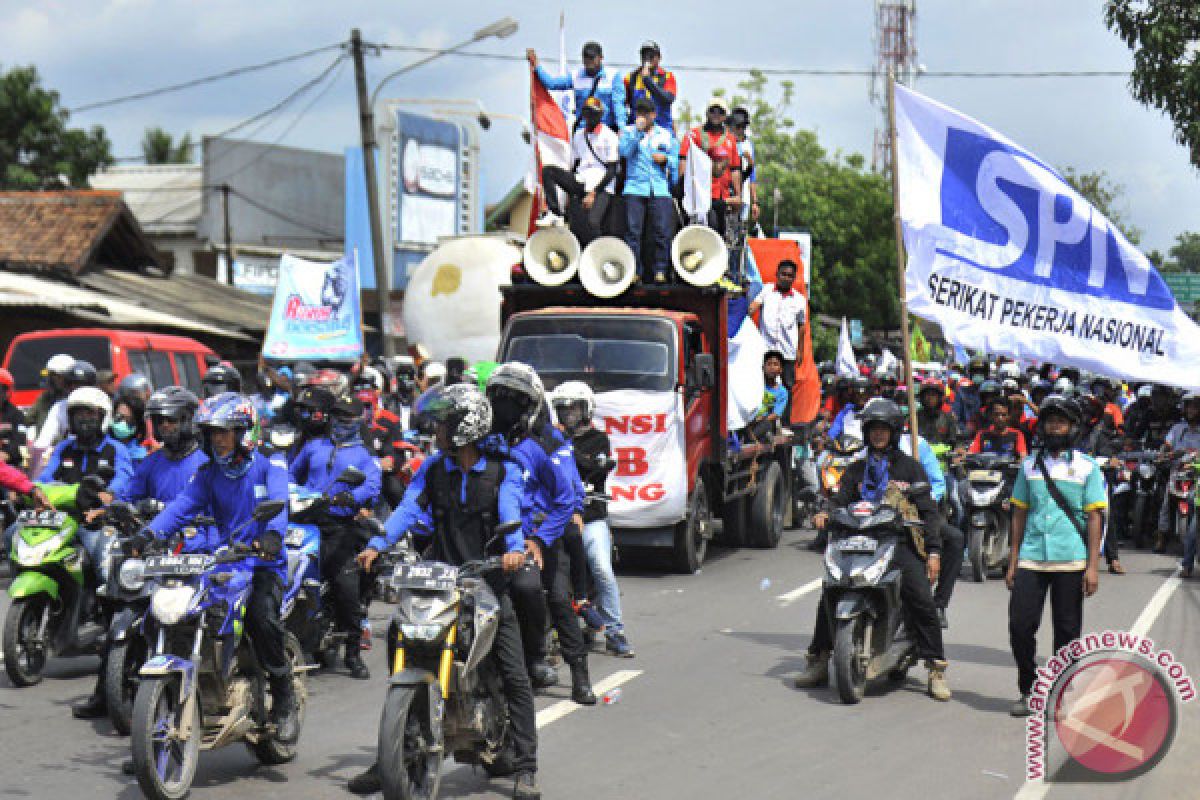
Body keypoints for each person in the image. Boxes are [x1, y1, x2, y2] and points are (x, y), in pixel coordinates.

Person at [351, 383, 541, 800]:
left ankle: (526, 767)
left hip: (489, 582)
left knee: (514, 674)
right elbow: (407, 509)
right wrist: (376, 545)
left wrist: (512, 552)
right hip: (441, 579)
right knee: (405, 640)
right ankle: (392, 751)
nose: (435, 430)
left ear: (464, 427)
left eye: (442, 424)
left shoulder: (502, 470)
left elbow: (511, 515)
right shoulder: (434, 469)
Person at [142, 392, 298, 743]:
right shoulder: (208, 474)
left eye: (224, 432)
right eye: (212, 433)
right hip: (220, 563)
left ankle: (284, 696)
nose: (217, 440)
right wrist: (147, 533)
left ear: (246, 433)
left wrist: (272, 536)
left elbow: (279, 504)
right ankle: (152, 726)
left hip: (261, 564)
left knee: (261, 617)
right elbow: (181, 506)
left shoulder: (269, 466)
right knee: (170, 614)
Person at [793, 398, 951, 701]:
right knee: (831, 591)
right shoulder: (855, 470)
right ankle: (819, 659)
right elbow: (839, 500)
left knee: (921, 599)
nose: (878, 435)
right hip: (857, 542)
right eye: (873, 430)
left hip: (900, 542)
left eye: (884, 429)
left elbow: (930, 512)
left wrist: (933, 552)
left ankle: (935, 668)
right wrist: (825, 512)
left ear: (894, 431)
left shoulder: (910, 468)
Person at [72, 386, 209, 721]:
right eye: (159, 421)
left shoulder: (207, 464)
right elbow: (129, 494)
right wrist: (113, 506)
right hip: (149, 548)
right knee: (120, 606)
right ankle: (104, 692)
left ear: (189, 420)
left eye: (170, 420)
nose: (164, 427)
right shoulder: (151, 463)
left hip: (193, 551)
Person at [485, 362, 596, 704]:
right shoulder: (483, 440)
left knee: (558, 599)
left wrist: (539, 537)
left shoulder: (548, 441)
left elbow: (567, 494)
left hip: (544, 534)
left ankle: (579, 674)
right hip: (497, 537)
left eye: (514, 399)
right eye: (498, 397)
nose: (505, 406)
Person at [1006, 395, 1105, 717]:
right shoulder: (1028, 467)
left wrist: (1093, 566)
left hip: (1071, 559)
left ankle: (1060, 692)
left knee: (1066, 630)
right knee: (1020, 626)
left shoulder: (1086, 467)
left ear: (1073, 427)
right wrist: (1012, 560)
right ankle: (1029, 689)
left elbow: (1094, 518)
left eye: (1060, 422)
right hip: (1032, 558)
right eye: (1049, 421)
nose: (1054, 427)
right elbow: (1019, 514)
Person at [289, 394, 382, 679]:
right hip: (305, 521)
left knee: (346, 586)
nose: (341, 423)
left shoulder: (363, 456)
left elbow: (372, 487)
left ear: (357, 422)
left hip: (339, 527)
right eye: (337, 416)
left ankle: (353, 652)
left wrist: (349, 498)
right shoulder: (313, 447)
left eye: (348, 418)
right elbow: (291, 475)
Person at [549, 381, 633, 657]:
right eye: (562, 409)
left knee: (601, 566)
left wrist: (563, 448)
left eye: (572, 408)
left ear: (586, 410)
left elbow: (594, 468)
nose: (567, 414)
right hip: (558, 517)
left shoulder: (598, 440)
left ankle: (615, 631)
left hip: (591, 516)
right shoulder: (551, 440)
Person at [37, 386, 133, 570]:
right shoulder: (64, 448)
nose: (83, 419)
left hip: (96, 521)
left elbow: (124, 477)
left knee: (104, 567)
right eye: (78, 413)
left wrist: (110, 494)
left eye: (90, 413)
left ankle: (105, 599)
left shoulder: (115, 449)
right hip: (61, 519)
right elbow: (46, 476)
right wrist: (31, 490)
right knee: (13, 535)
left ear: (103, 416)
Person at [536, 96, 619, 241]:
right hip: (581, 180)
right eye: (587, 113)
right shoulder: (579, 135)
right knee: (548, 171)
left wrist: (593, 194)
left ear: (600, 115)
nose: (589, 117)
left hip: (601, 186)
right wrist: (570, 191)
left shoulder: (609, 136)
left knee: (593, 223)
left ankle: (597, 256)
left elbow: (612, 170)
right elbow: (575, 164)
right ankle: (555, 213)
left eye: (593, 113)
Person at [619, 96, 678, 284]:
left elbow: (676, 160)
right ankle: (635, 270)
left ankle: (660, 269)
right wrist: (637, 132)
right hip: (635, 188)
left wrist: (666, 160)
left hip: (659, 189)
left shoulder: (665, 135)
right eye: (639, 112)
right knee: (633, 232)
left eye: (646, 112)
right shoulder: (629, 131)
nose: (642, 116)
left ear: (654, 114)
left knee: (661, 231)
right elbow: (624, 152)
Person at [748, 259, 807, 421]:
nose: (786, 278)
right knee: (761, 385)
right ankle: (758, 419)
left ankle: (784, 423)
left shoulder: (799, 300)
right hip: (766, 350)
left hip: (787, 352)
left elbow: (802, 326)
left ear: (794, 278)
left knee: (787, 387)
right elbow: (753, 306)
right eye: (783, 274)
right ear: (777, 275)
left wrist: (800, 350)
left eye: (790, 276)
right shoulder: (767, 290)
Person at [678, 98, 743, 235]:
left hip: (723, 196)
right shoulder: (694, 134)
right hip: (701, 196)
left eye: (720, 111)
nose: (716, 114)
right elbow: (684, 161)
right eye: (712, 110)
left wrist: (738, 195)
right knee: (704, 232)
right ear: (707, 113)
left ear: (725, 116)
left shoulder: (730, 139)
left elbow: (735, 168)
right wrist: (685, 190)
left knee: (720, 234)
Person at [528, 41, 617, 130]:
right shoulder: (575, 76)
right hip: (583, 132)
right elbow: (552, 84)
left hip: (607, 130)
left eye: (592, 58)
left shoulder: (613, 76)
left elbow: (618, 105)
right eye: (586, 58)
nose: (589, 62)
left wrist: (621, 129)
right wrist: (536, 65)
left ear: (601, 58)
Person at [1158, 391, 1200, 556]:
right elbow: (1167, 445)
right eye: (1189, 406)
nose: (1191, 410)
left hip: (1196, 474)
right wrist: (1164, 453)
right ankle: (1161, 536)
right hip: (1177, 471)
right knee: (1166, 501)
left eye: (1195, 407)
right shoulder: (1178, 428)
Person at [613, 40, 676, 131]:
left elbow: (668, 99)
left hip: (662, 129)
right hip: (637, 130)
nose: (647, 58)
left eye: (651, 55)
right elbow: (621, 104)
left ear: (659, 57)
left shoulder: (667, 76)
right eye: (644, 55)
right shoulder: (630, 78)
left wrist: (648, 81)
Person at [749, 351, 788, 442]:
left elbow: (776, 414)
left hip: (765, 423)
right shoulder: (756, 385)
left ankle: (750, 438)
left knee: (767, 424)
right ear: (763, 368)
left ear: (780, 369)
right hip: (750, 419)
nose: (772, 367)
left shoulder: (782, 392)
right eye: (769, 364)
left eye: (775, 364)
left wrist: (761, 419)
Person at [29, 353, 74, 432]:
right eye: (52, 376)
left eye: (58, 376)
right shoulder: (44, 398)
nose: (55, 380)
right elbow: (28, 420)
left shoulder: (75, 399)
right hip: (43, 442)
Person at [0, 368, 28, 468]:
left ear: (6, 392)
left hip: (8, 465)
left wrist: (7, 454)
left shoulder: (17, 415)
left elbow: (20, 442)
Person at [952, 357, 988, 431]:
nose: (978, 374)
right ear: (970, 374)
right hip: (968, 434)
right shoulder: (962, 392)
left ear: (986, 373)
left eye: (981, 371)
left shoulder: (993, 392)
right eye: (975, 371)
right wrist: (965, 430)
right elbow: (956, 415)